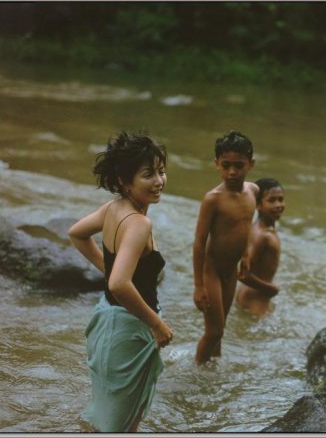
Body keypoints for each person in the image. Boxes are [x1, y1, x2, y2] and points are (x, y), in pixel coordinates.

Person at [68, 131, 173, 432]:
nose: (159, 181)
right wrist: (157, 324)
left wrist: (109, 268)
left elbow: (76, 233)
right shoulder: (139, 223)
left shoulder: (113, 208)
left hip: (106, 320)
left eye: (161, 171)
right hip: (128, 330)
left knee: (108, 419)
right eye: (148, 174)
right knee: (123, 425)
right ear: (125, 181)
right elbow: (119, 284)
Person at [193, 130, 259, 363]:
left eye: (239, 165)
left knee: (220, 327)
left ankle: (214, 368)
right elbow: (199, 242)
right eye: (226, 165)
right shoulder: (213, 199)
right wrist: (198, 285)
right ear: (216, 164)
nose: (232, 171)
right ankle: (198, 372)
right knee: (214, 331)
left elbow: (246, 224)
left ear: (250, 164)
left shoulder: (253, 191)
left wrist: (246, 255)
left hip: (230, 271)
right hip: (211, 271)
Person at [236, 178, 285, 316]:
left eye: (281, 199)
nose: (278, 205)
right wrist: (271, 289)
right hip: (255, 302)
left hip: (247, 295)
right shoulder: (263, 236)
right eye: (271, 200)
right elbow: (242, 274)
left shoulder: (257, 228)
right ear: (257, 204)